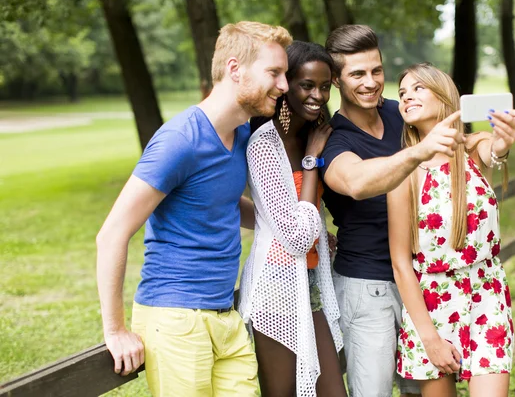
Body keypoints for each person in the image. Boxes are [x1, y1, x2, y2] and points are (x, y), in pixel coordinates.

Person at [96, 21, 292, 396]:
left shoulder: (242, 136)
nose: (283, 85)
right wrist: (116, 330)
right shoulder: (180, 140)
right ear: (235, 70)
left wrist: (292, 228)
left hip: (227, 320)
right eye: (274, 72)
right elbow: (112, 234)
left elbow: (220, 203)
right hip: (175, 321)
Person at [320, 24, 467, 397]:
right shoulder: (335, 139)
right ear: (336, 80)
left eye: (376, 70)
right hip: (368, 286)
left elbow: (460, 141)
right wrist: (417, 152)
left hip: (426, 281)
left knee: (425, 390)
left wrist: (496, 142)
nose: (371, 82)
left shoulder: (402, 112)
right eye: (357, 74)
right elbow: (356, 181)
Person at [388, 62, 515, 397]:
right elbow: (401, 264)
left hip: (486, 292)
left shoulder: (472, 148)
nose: (407, 97)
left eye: (418, 88)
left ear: (444, 94)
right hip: (432, 304)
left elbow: (494, 152)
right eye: (402, 93)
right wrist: (430, 339)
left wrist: (504, 141)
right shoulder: (403, 171)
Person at [239, 40, 346, 397]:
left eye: (325, 86)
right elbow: (297, 237)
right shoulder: (265, 145)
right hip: (276, 287)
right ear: (286, 86)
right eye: (307, 85)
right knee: (282, 392)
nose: (318, 95)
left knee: (332, 390)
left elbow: (308, 220)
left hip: (314, 280)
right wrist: (311, 161)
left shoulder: (313, 135)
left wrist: (323, 235)